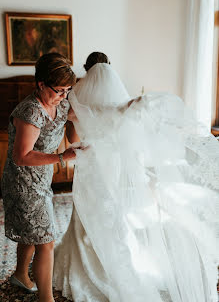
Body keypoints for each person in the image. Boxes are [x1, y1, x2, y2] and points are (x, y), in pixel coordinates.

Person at [53, 53, 219, 302]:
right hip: (113, 165)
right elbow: (122, 124)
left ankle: (87, 265)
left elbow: (72, 140)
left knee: (86, 214)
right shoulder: (116, 98)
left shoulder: (75, 96)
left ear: (86, 69)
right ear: (109, 67)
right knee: (112, 214)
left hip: (89, 165)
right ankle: (113, 264)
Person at [1, 53, 81, 302]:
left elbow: (72, 134)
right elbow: (22, 156)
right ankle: (47, 300)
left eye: (68, 90)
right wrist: (60, 158)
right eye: (59, 90)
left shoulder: (61, 104)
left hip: (42, 179)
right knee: (45, 240)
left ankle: (20, 275)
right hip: (22, 183)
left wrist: (75, 121)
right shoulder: (30, 111)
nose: (64, 96)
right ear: (41, 84)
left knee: (32, 233)